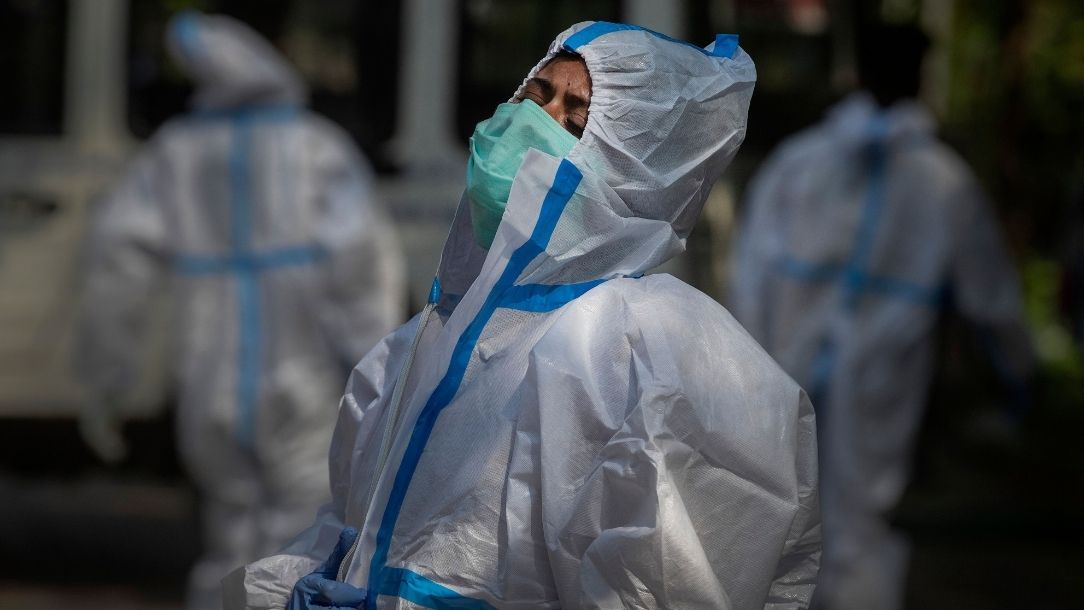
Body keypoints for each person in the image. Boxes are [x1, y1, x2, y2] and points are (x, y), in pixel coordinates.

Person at [226, 21, 820, 610]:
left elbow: (665, 588)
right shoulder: (427, 341)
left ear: (633, 171)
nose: (534, 124)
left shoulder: (650, 349)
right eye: (537, 95)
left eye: (577, 116)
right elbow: (348, 528)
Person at [75, 11, 405, 610]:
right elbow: (362, 269)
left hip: (210, 375)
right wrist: (381, 374)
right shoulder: (314, 146)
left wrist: (107, 378)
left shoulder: (173, 153)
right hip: (302, 375)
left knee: (229, 529)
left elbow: (115, 268)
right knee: (304, 535)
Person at [729, 24, 1032, 610]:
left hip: (782, 371)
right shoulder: (945, 182)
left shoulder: (798, 163)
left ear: (856, 76)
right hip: (881, 383)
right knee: (860, 527)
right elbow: (993, 300)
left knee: (774, 516)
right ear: (919, 80)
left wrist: (741, 375)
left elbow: (749, 279)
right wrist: (1020, 380)